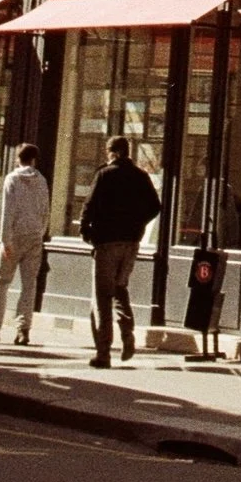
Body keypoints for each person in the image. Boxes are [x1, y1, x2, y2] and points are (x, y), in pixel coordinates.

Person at [79, 134, 161, 366]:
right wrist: (138, 225)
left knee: (102, 297)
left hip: (107, 242)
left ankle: (103, 352)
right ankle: (127, 333)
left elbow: (89, 204)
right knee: (120, 288)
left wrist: (87, 231)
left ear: (112, 152)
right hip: (131, 243)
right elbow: (155, 207)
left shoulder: (104, 174)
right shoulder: (141, 175)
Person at [0, 143, 52, 346]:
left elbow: (7, 211)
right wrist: (40, 232)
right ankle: (23, 330)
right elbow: (45, 211)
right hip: (34, 237)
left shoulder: (12, 179)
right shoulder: (42, 181)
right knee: (29, 285)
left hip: (14, 236)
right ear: (34, 160)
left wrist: (5, 240)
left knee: (1, 282)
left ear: (17, 159)